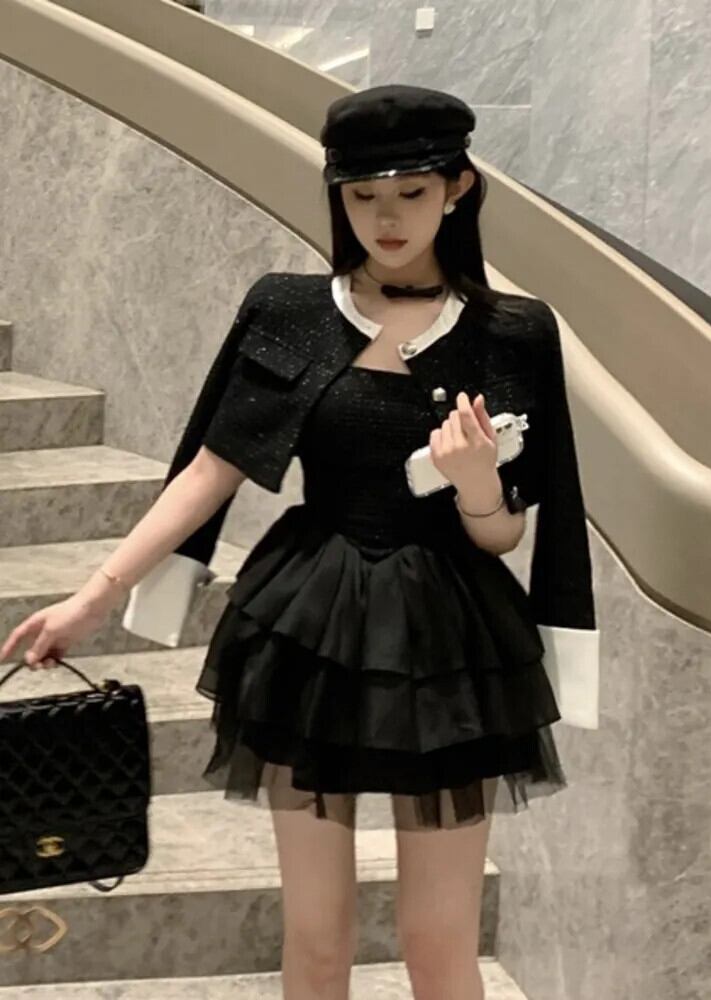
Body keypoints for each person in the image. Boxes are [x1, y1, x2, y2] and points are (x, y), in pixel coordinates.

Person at [1, 84, 598, 999]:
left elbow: (504, 534)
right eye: (363, 196)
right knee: (316, 939)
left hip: (451, 642)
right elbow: (211, 469)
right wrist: (93, 597)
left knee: (439, 944)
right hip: (308, 627)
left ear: (459, 188)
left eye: (410, 192)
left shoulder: (511, 333)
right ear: (337, 195)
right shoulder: (290, 308)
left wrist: (479, 485)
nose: (386, 219)